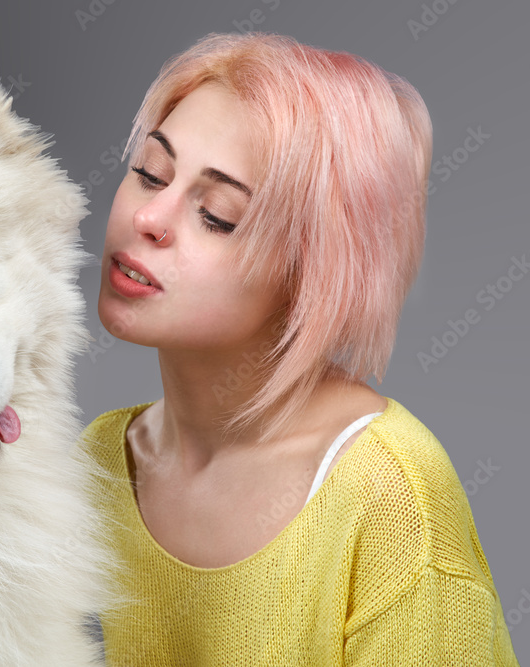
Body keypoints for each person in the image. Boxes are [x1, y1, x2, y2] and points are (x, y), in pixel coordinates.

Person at [83, 32, 521, 665]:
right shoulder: (95, 462)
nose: (148, 218)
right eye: (151, 174)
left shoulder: (391, 495)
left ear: (314, 272)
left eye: (218, 215)